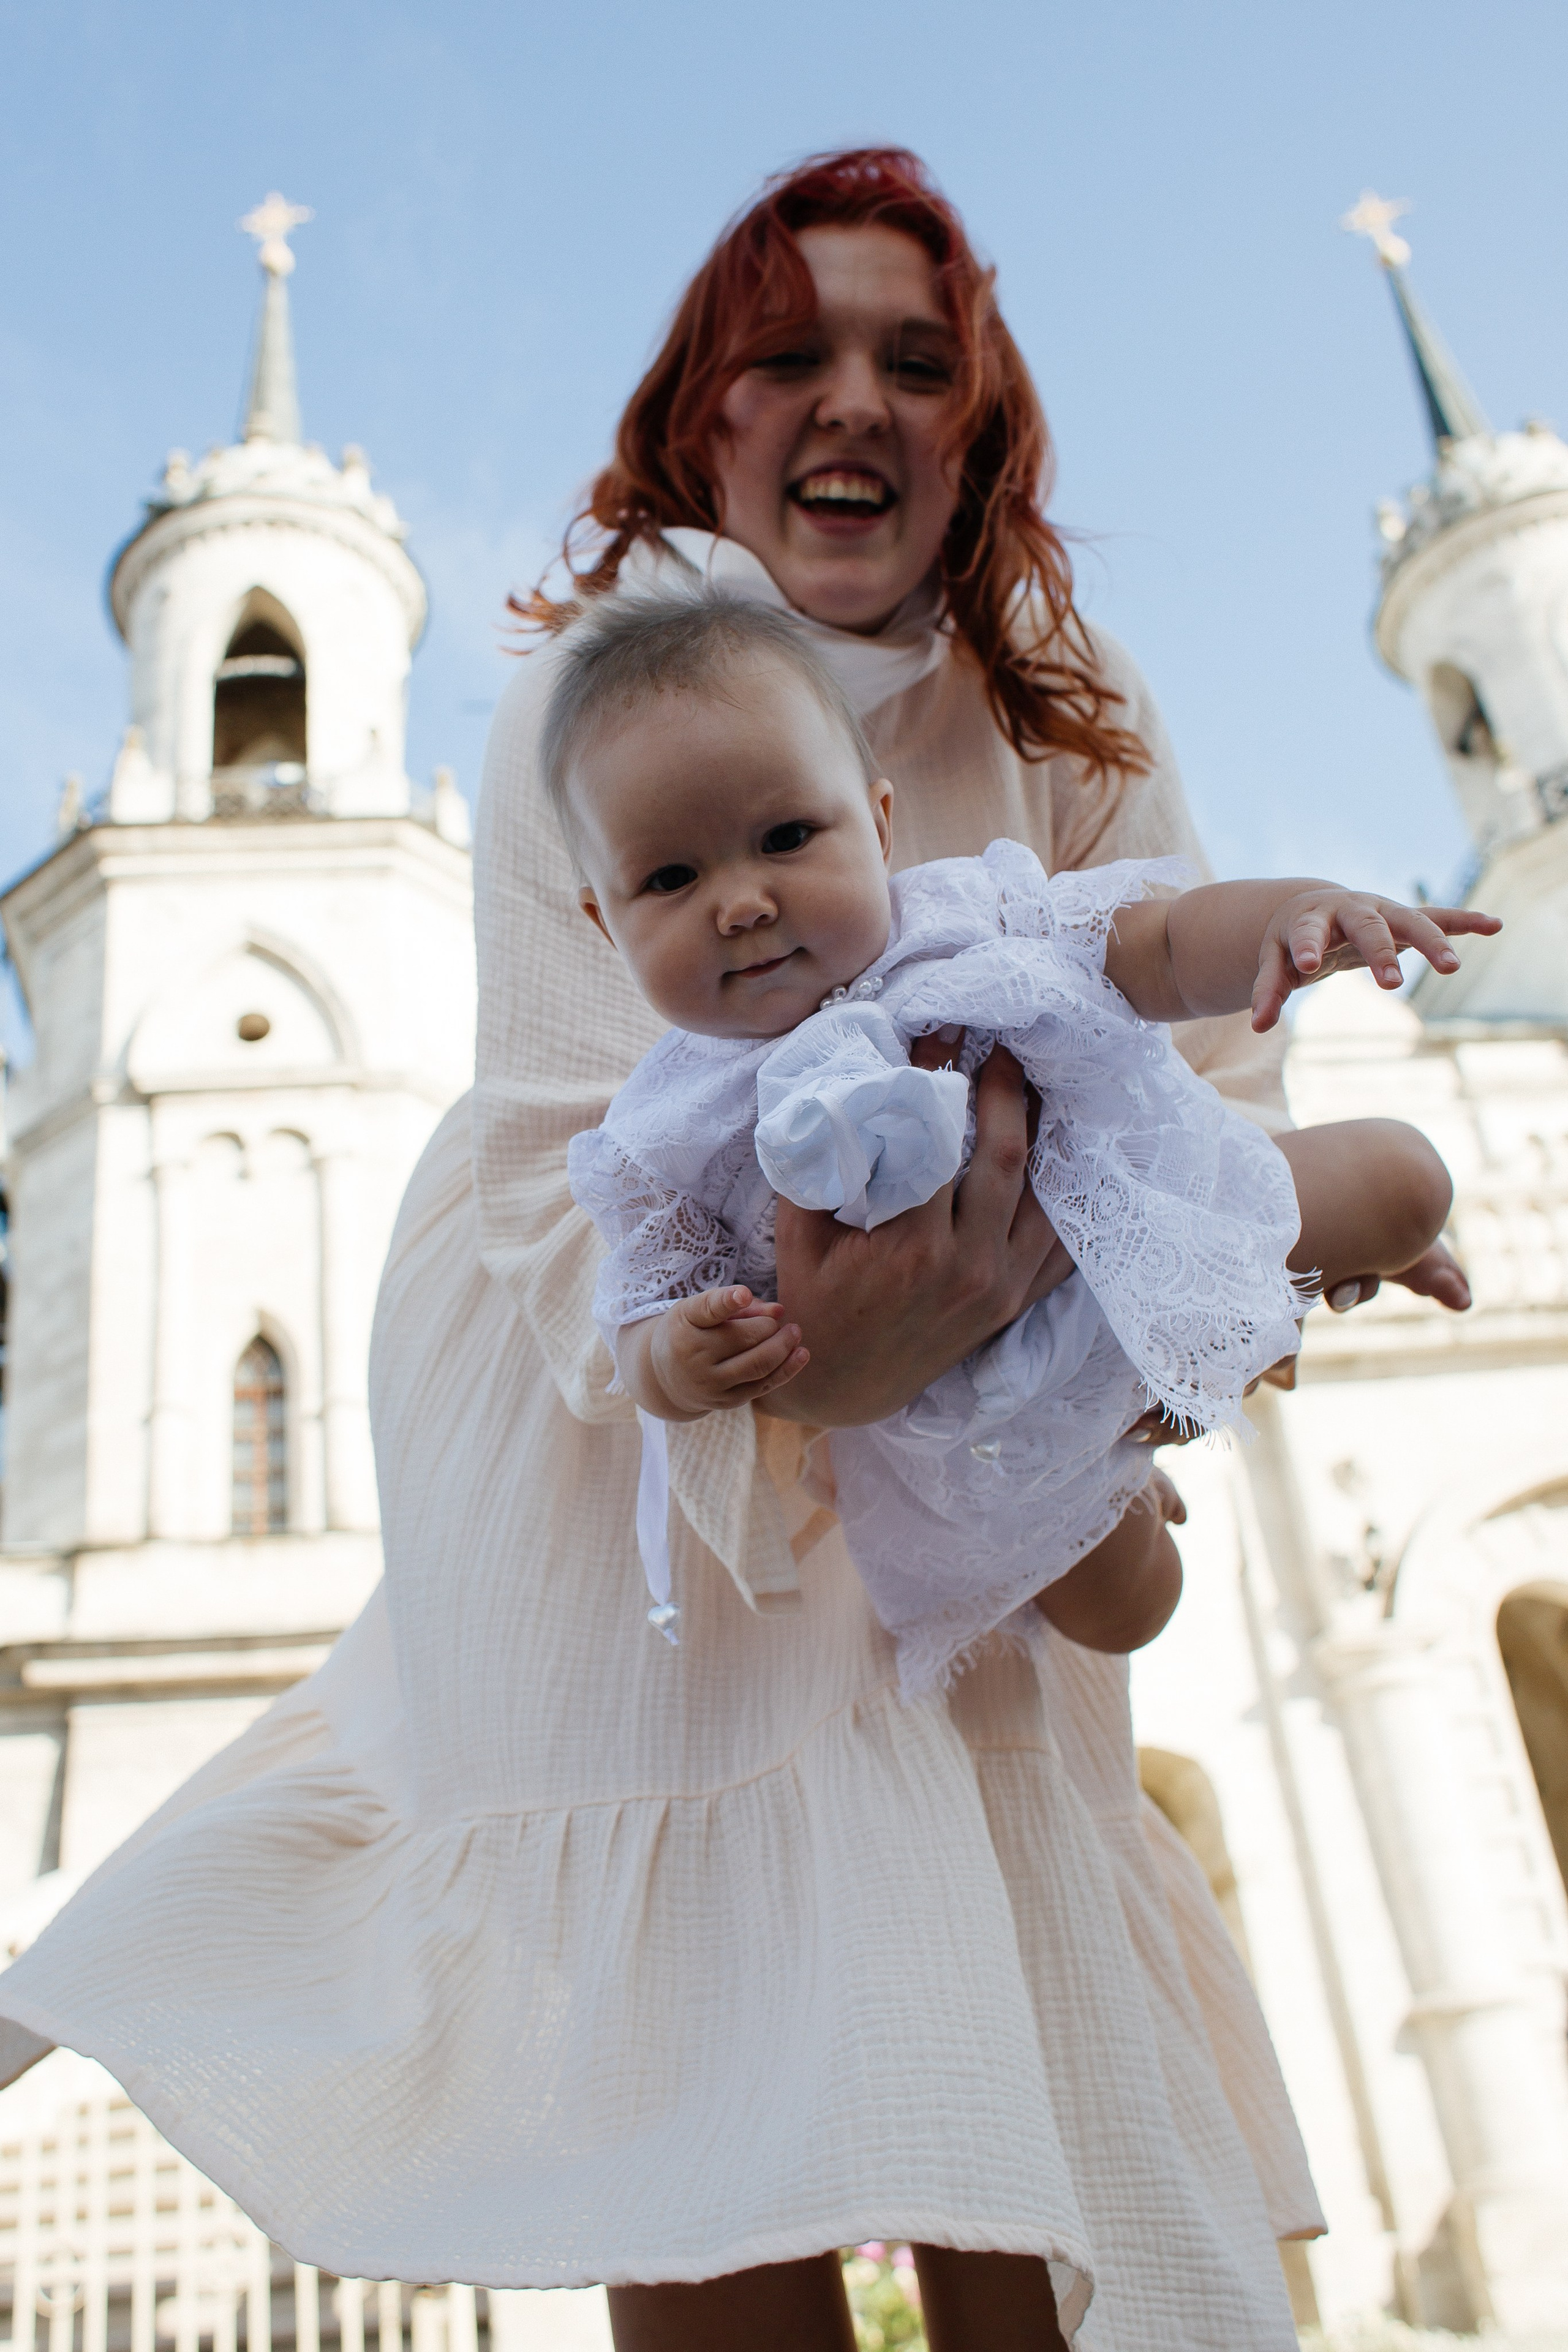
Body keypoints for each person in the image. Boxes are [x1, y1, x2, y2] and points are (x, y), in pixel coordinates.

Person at [0, 148, 1480, 2350]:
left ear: (976, 423)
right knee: (696, 2070)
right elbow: (557, 1144)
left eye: (915, 362)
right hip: (640, 1468)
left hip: (992, 1417)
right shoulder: (602, 693)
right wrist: (801, 1367)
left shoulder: (1064, 694)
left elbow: (1207, 1063)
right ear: (707, 414)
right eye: (789, 355)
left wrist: (1120, 1358)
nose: (853, 399)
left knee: (1010, 1994)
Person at [554, 589, 1488, 1694]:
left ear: (879, 825)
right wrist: (678, 1361)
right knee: (1127, 1613)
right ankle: (1120, 1464)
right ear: (606, 921)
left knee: (1407, 1180)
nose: (742, 903)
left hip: (1140, 1230)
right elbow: (641, 1315)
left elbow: (1162, 946)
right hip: (965, 1415)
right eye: (671, 878)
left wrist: (1293, 916)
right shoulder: (661, 1134)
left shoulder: (970, 922)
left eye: (787, 838)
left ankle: (1327, 1270)